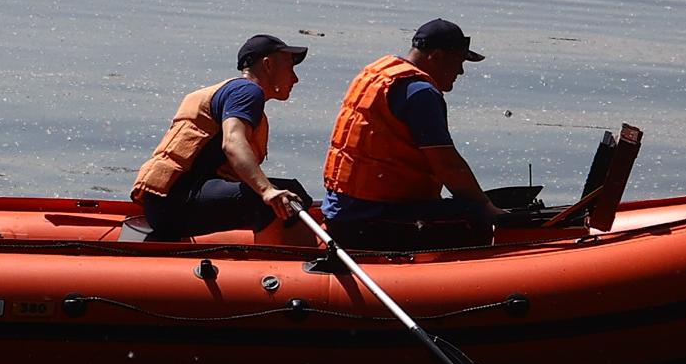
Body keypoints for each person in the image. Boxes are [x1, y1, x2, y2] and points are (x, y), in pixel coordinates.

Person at [319, 18, 503, 248]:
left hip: (343, 211)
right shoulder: (420, 93)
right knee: (474, 216)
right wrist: (487, 208)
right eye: (458, 61)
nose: (461, 71)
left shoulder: (378, 76)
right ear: (436, 57)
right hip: (371, 220)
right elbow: (448, 166)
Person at [129, 34, 315, 240]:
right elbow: (233, 142)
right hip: (176, 205)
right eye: (289, 67)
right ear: (268, 65)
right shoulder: (248, 92)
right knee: (280, 196)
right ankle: (293, 259)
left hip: (163, 204)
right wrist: (267, 191)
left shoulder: (235, 92)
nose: (295, 78)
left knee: (285, 192)